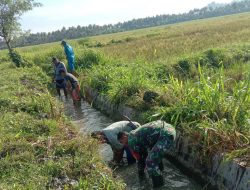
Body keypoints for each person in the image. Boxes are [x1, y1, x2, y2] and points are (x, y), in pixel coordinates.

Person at [118, 120, 176, 188]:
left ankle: (159, 186)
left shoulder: (131, 140)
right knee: (154, 155)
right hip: (168, 128)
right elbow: (144, 153)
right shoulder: (134, 133)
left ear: (124, 136)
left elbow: (140, 158)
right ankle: (161, 172)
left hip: (165, 135)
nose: (124, 144)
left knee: (150, 161)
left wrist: (141, 173)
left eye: (122, 142)